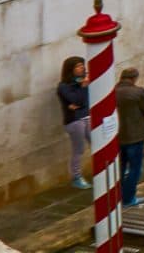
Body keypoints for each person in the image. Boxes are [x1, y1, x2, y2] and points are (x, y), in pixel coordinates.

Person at [115, 68, 144, 206]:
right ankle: (128, 198)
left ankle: (118, 196)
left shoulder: (112, 91)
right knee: (135, 169)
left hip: (118, 136)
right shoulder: (138, 92)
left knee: (120, 168)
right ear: (134, 78)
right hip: (135, 135)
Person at [55, 56, 88, 190]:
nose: (82, 68)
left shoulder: (83, 81)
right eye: (78, 66)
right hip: (74, 121)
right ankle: (76, 177)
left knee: (98, 142)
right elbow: (78, 100)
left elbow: (81, 102)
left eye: (82, 65)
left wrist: (78, 102)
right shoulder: (64, 86)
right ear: (71, 69)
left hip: (87, 116)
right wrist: (83, 88)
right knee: (79, 149)